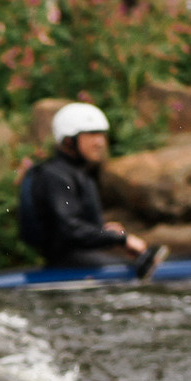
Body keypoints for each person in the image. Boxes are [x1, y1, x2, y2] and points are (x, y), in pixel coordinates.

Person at [17, 102, 162, 278]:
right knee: (135, 270)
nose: (100, 142)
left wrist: (105, 233)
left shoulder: (77, 173)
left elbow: (76, 226)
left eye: (102, 135)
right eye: (92, 135)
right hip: (66, 262)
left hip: (78, 258)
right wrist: (120, 239)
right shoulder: (55, 176)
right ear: (69, 141)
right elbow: (69, 230)